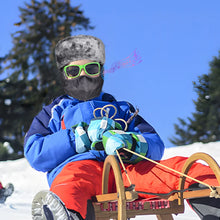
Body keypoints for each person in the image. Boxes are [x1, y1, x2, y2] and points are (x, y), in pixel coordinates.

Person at [24, 35, 220, 220]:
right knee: (69, 185)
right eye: (73, 71)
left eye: (90, 69)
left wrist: (132, 143)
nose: (82, 76)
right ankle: (65, 214)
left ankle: (213, 198)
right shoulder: (55, 113)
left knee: (182, 169)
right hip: (81, 170)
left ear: (101, 72)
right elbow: (35, 151)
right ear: (64, 76)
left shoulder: (122, 109)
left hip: (129, 171)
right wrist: (77, 138)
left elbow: (154, 144)